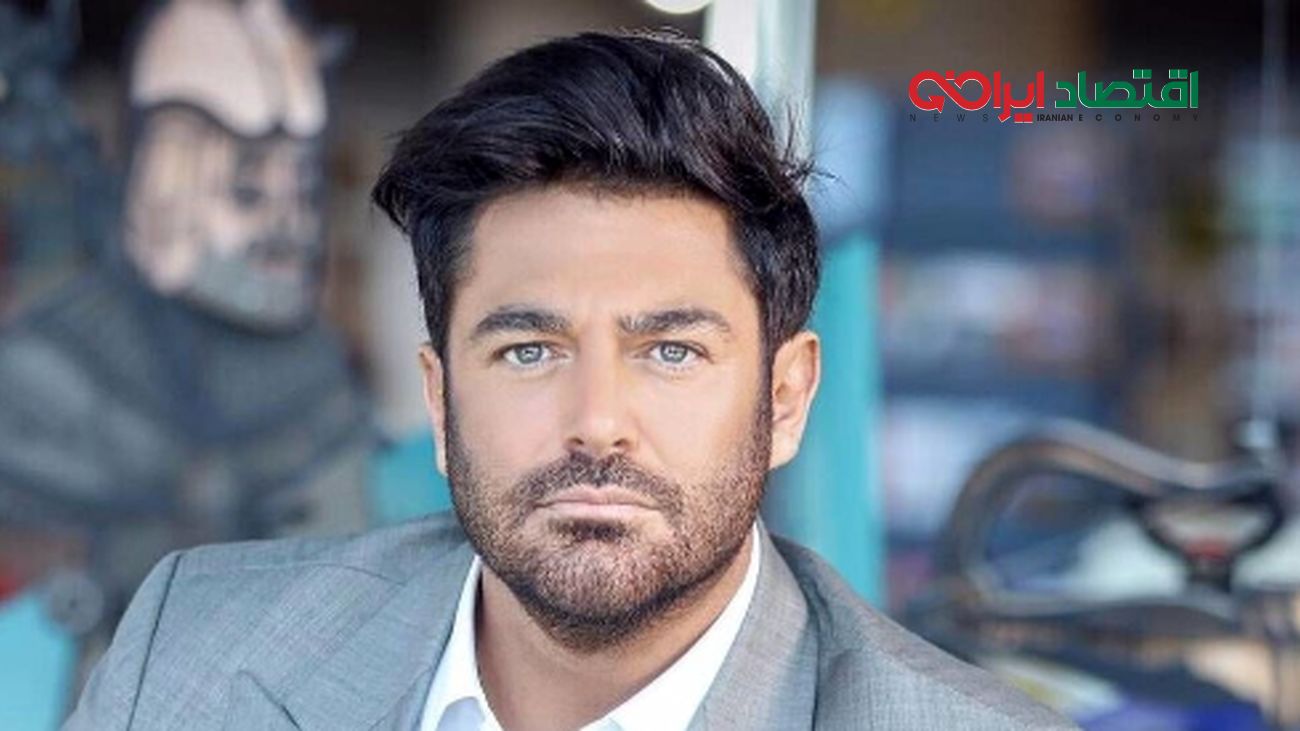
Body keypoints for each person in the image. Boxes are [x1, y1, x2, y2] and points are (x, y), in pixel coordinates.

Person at [64, 30, 1077, 730]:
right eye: (529, 350)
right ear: (440, 398)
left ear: (784, 399)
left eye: (670, 350)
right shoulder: (194, 648)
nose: (596, 422)